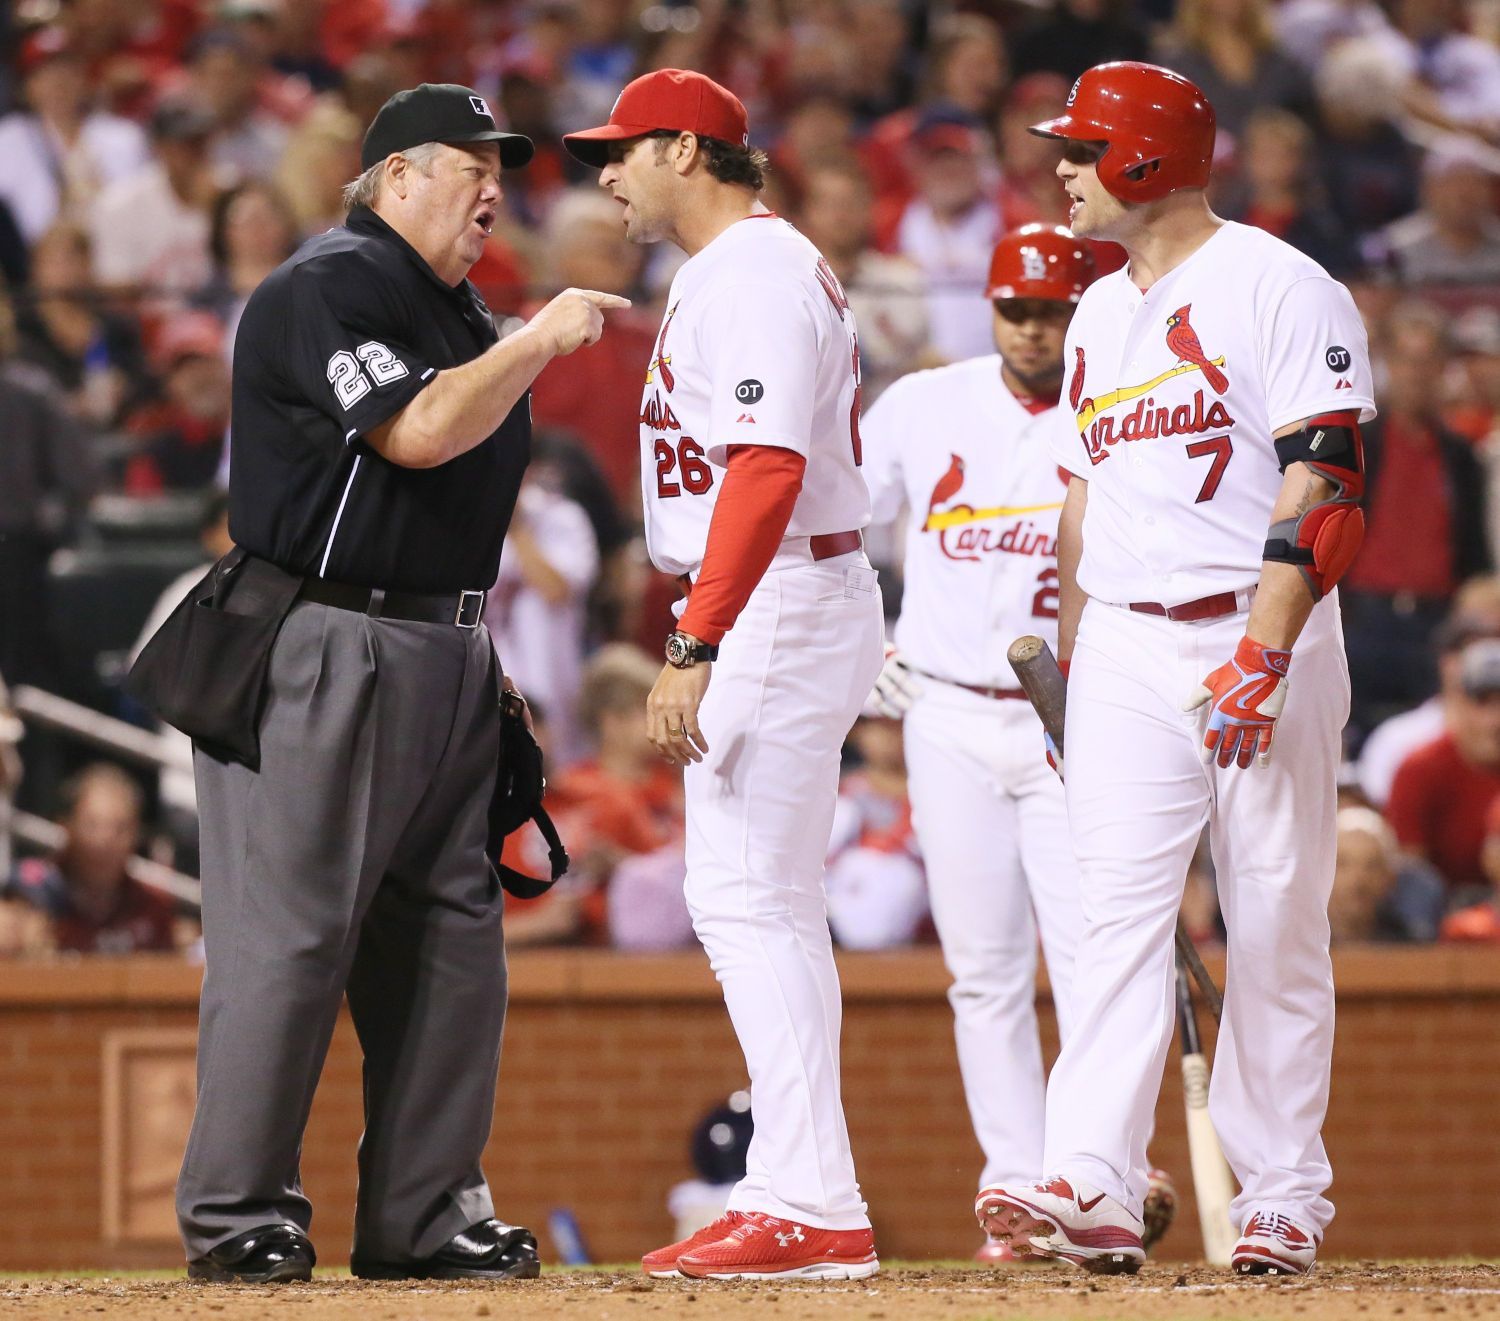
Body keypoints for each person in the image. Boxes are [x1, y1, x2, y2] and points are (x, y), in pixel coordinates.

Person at [171, 82, 628, 1285]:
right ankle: (240, 1215)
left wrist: (487, 667)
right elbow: (412, 435)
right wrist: (538, 340)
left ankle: (424, 1217)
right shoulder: (325, 284)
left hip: (445, 645)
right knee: (292, 940)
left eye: (502, 167)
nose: (494, 187)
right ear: (393, 177)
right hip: (325, 638)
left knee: (452, 940)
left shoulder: (465, 313)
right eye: (465, 163)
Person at [975, 63, 1376, 1278]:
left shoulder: (1279, 283)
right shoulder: (1097, 314)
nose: (1062, 167)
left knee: (1273, 909)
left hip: (1260, 625)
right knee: (1109, 920)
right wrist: (1083, 673)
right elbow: (1085, 509)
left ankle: (1285, 1191)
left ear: (1146, 156)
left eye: (1083, 147)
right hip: (1132, 641)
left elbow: (1328, 473)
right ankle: (1092, 1177)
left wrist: (1265, 647)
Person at [564, 68, 885, 1282]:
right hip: (792, 587)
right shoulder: (752, 264)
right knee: (765, 900)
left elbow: (762, 469)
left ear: (687, 151)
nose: (608, 174)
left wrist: (694, 642)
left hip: (775, 592)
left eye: (624, 151)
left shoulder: (746, 270)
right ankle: (806, 1191)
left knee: (748, 898)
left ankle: (809, 1198)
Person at [5, 763, 186, 956]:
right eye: (92, 825)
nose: (105, 841)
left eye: (120, 828)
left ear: (137, 835)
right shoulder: (28, 893)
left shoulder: (154, 908)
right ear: (66, 825)